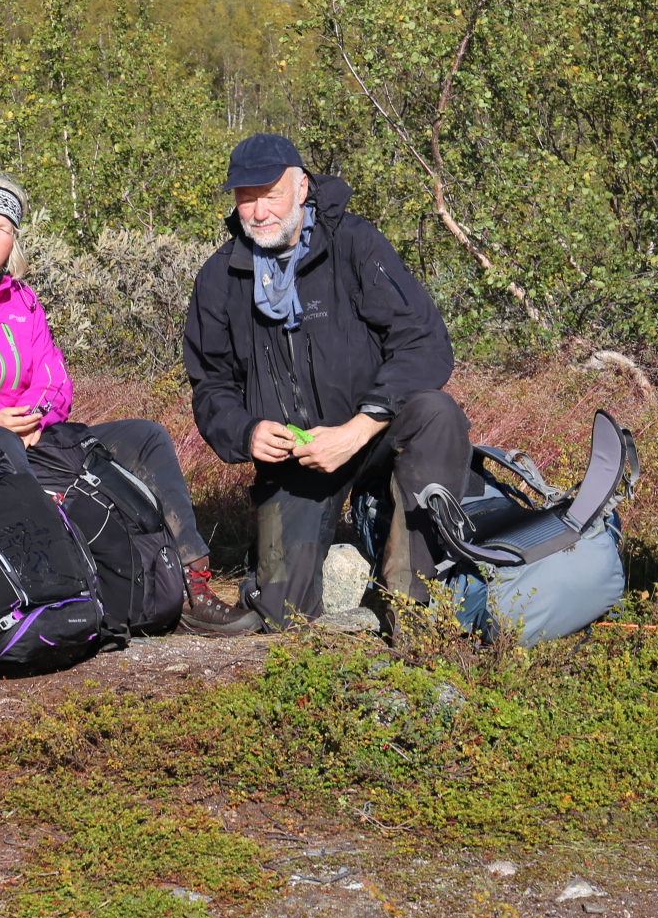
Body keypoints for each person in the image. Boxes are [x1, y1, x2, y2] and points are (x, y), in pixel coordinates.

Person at [0, 175, 260, 635]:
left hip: (30, 436)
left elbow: (55, 380)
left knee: (146, 438)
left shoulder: (21, 300)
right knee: (42, 466)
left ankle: (194, 584)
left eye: (3, 227)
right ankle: (84, 601)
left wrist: (35, 414)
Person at [183, 134, 473, 628]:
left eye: (269, 194)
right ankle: (291, 580)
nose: (257, 211)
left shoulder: (354, 243)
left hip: (375, 431)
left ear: (302, 188)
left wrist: (357, 429)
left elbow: (424, 341)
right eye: (245, 197)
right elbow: (211, 384)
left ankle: (410, 607)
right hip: (297, 458)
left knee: (436, 414)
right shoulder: (220, 277)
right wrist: (247, 432)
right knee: (283, 613)